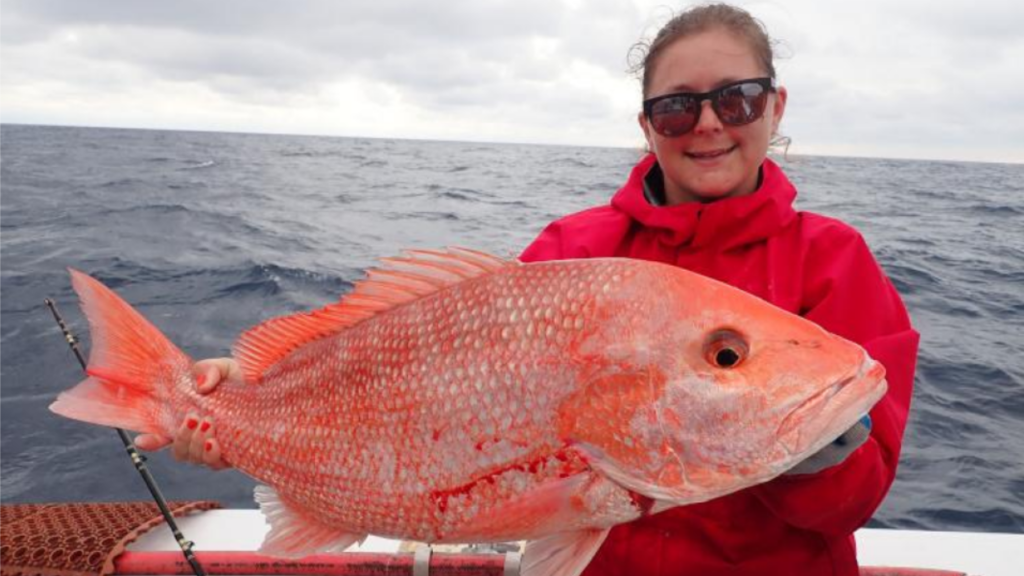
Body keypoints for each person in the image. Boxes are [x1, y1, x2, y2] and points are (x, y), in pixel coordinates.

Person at [137, 4, 919, 575]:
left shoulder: (836, 262)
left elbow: (853, 502)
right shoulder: (572, 251)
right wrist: (244, 396)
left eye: (737, 98)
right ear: (648, 125)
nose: (708, 123)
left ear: (775, 106)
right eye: (677, 106)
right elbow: (425, 380)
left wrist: (814, 434)